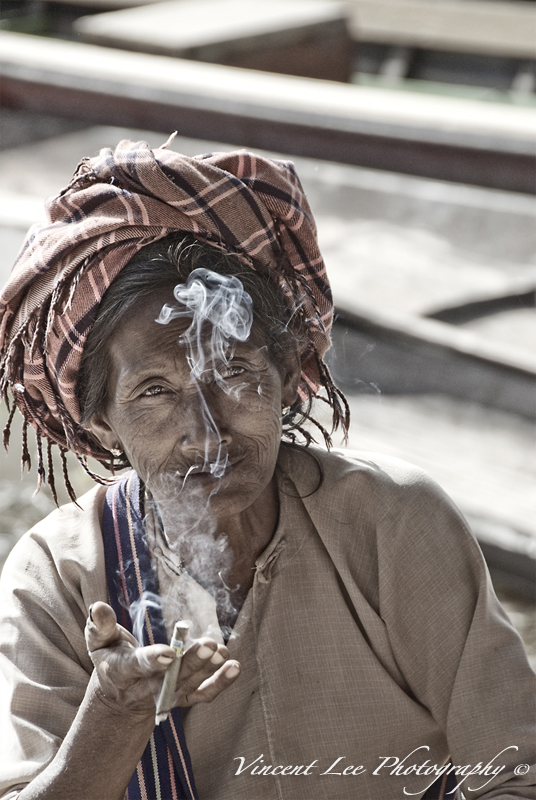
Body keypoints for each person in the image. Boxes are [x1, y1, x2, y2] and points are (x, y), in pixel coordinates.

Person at [0, 137, 533, 800]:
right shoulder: (57, 579)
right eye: (156, 391)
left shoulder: (392, 525)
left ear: (285, 377)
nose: (208, 430)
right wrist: (114, 714)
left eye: (235, 371)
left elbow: (518, 771)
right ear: (101, 418)